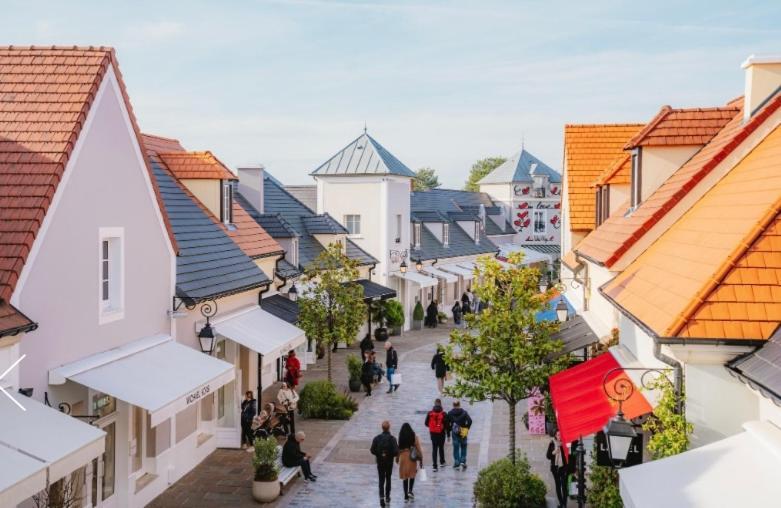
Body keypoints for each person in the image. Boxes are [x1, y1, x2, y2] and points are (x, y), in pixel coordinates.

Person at [370, 420, 399, 507]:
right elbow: (396, 451)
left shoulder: (377, 438)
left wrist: (379, 454)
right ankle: (387, 496)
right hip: (389, 462)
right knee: (388, 478)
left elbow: (372, 450)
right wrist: (390, 455)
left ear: (382, 428)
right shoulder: (392, 439)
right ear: (389, 427)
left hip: (380, 462)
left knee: (381, 479)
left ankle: (381, 497)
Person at [397, 422, 423, 501]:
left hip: (403, 457)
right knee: (412, 474)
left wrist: (397, 458)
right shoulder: (413, 436)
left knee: (405, 477)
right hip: (411, 457)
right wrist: (421, 458)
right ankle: (410, 491)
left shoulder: (400, 437)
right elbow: (418, 447)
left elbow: (398, 449)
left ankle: (405, 495)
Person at [546, 431, 569, 508]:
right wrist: (554, 452)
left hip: (563, 467)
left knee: (564, 486)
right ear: (555, 436)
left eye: (561, 434)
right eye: (558, 435)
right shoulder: (552, 443)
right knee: (558, 485)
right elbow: (548, 456)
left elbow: (569, 455)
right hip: (555, 468)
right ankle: (561, 503)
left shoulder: (565, 443)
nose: (559, 436)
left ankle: (564, 504)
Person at [447, 400, 473, 469]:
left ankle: (457, 462)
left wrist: (449, 430)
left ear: (453, 405)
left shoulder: (450, 413)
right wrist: (467, 428)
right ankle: (463, 461)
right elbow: (470, 421)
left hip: (455, 433)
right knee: (464, 446)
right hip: (463, 431)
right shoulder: (464, 412)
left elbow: (447, 424)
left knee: (456, 447)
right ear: (459, 405)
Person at [424, 398, 448, 471]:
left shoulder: (430, 413)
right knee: (441, 447)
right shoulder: (444, 414)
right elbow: (446, 425)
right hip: (441, 433)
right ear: (440, 404)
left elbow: (426, 423)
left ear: (434, 404)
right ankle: (442, 462)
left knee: (434, 449)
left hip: (433, 433)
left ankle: (434, 466)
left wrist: (432, 427)